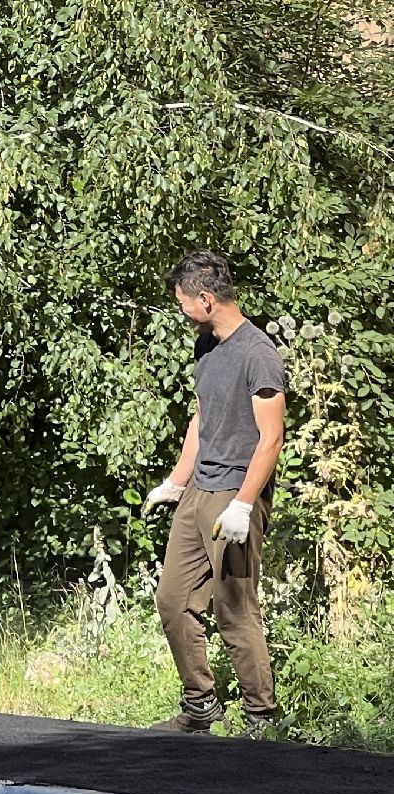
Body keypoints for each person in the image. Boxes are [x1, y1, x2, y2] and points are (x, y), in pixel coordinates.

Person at [141, 250, 286, 736]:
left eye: (182, 301)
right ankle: (201, 707)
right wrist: (176, 481)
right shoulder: (207, 346)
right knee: (172, 600)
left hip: (234, 495)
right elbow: (202, 418)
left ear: (205, 299)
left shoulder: (258, 353)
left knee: (233, 609)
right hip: (199, 490)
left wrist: (244, 504)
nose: (181, 310)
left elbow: (271, 438)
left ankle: (261, 719)